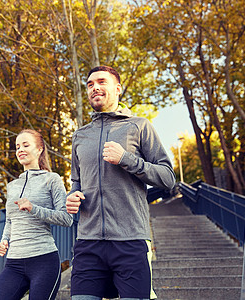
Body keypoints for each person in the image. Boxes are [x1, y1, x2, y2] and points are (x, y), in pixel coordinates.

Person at [66, 66, 176, 300]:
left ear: (117, 89)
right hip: (88, 242)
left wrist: (127, 159)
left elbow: (167, 178)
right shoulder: (80, 136)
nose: (94, 87)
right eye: (90, 84)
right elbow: (76, 181)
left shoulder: (139, 126)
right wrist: (73, 197)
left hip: (130, 240)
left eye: (101, 82)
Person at [0, 129, 73, 300]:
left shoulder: (51, 179)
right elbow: (10, 220)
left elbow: (67, 218)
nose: (20, 150)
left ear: (39, 149)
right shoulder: (13, 186)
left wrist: (34, 208)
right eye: (17, 147)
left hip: (44, 260)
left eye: (26, 145)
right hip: (14, 263)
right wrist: (5, 240)